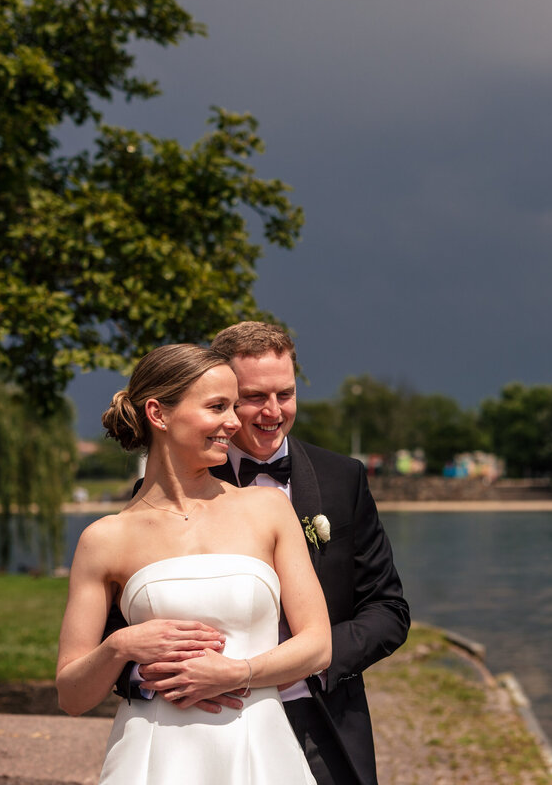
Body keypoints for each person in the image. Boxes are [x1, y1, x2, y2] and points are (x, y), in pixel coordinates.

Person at [113, 322, 410, 785]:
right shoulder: (158, 495)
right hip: (204, 723)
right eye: (253, 397)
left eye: (285, 394)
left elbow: (388, 609)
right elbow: (123, 623)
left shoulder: (342, 479)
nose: (273, 412)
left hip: (323, 718)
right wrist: (153, 679)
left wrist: (308, 662)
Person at [57, 344, 330, 785]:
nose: (234, 421)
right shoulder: (104, 539)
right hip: (151, 756)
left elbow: (318, 645)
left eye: (233, 406)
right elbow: (71, 695)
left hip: (258, 746)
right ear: (158, 414)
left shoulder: (267, 509)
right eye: (218, 406)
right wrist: (121, 646)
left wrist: (238, 673)